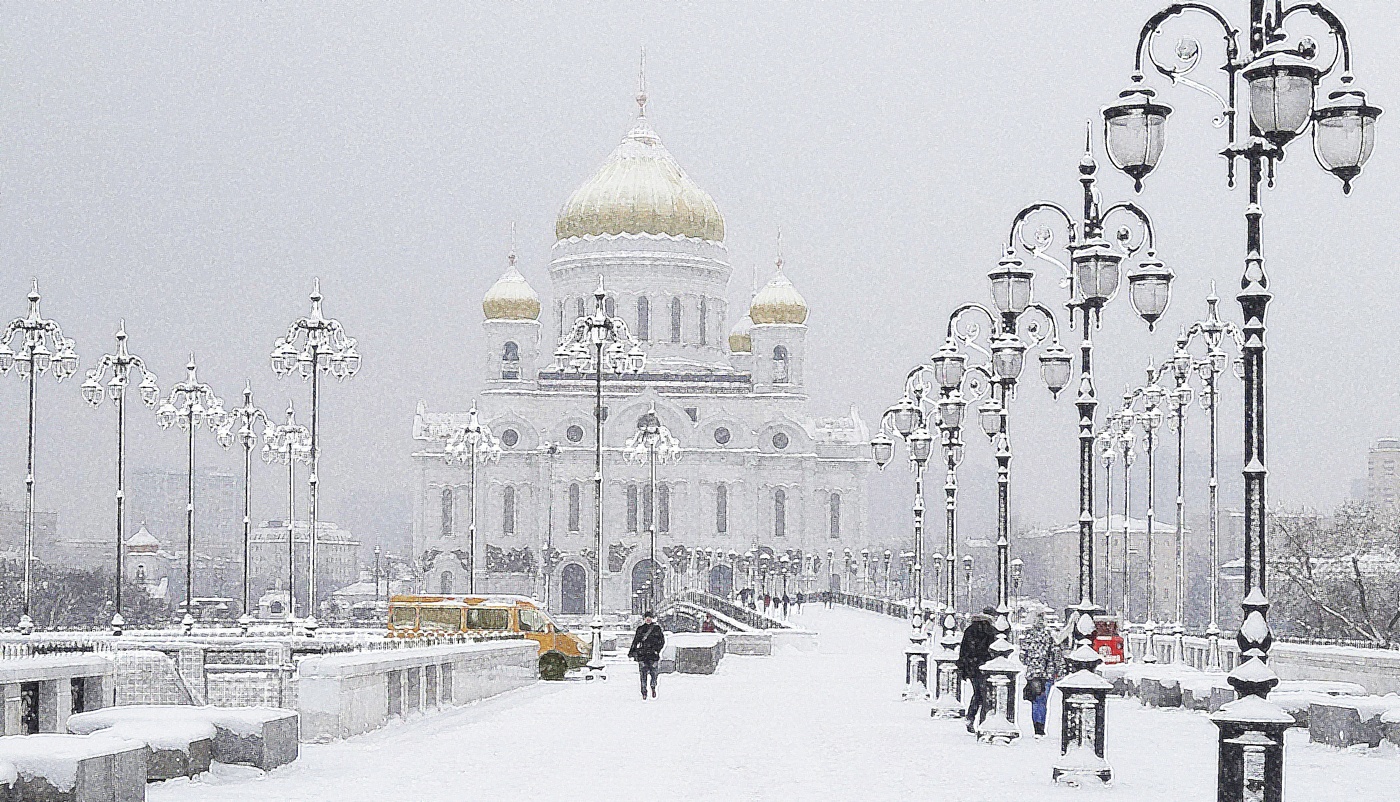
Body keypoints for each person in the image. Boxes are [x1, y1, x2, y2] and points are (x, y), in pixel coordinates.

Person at [1020, 610, 1068, 738]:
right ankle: (1041, 726)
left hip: (1033, 674)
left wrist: (1032, 661)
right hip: (1047, 674)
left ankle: (1037, 726)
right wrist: (1061, 670)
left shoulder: (1028, 636)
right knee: (1043, 701)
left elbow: (1022, 658)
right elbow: (1056, 655)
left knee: (1036, 701)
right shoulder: (1049, 636)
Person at [957, 607, 998, 733]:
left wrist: (963, 667)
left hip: (971, 666)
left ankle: (971, 717)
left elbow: (963, 649)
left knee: (978, 693)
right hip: (985, 667)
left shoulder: (970, 629)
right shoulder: (990, 630)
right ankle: (982, 721)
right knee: (986, 695)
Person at [628, 610, 666, 700]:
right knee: (643, 674)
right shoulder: (640, 629)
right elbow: (635, 641)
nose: (648, 620)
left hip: (653, 655)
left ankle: (653, 686)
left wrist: (657, 650)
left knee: (654, 674)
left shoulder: (657, 629)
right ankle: (644, 691)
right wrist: (632, 652)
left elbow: (662, 641)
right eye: (646, 618)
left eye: (649, 618)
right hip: (643, 654)